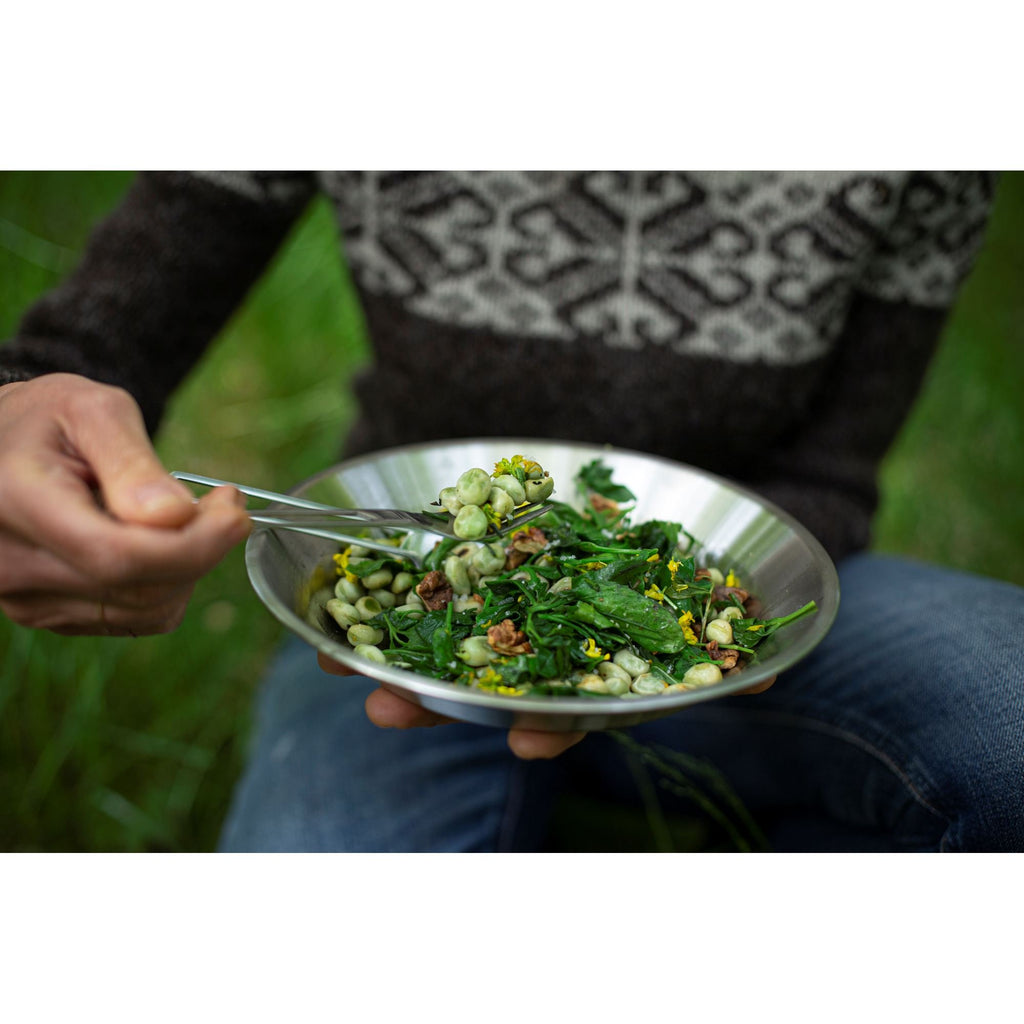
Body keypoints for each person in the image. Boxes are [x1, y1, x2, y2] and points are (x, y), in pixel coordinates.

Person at [1, 171, 1021, 852]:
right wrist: (25, 408)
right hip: (398, 662)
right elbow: (87, 346)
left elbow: (830, 469)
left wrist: (689, 625)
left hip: (745, 593)